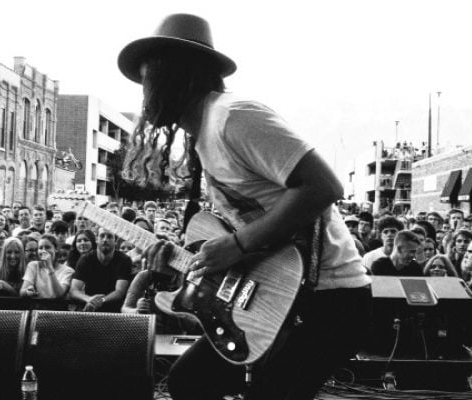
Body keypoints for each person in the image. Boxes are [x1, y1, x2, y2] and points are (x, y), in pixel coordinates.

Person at [118, 13, 371, 400]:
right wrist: (182, 263)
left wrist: (236, 245)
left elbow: (323, 185)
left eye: (149, 77)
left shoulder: (233, 118)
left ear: (178, 74)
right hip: (281, 292)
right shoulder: (204, 138)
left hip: (329, 298)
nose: (144, 92)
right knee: (189, 383)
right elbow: (252, 230)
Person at [69, 227, 132, 312]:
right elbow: (73, 290)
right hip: (91, 308)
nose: (105, 240)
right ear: (96, 240)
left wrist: (101, 301)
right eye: (102, 236)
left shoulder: (124, 260)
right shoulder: (86, 259)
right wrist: (89, 299)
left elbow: (120, 291)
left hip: (116, 310)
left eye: (109, 236)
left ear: (115, 241)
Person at [20, 234, 74, 298]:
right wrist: (28, 291)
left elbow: (59, 294)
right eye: (40, 248)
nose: (43, 251)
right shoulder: (33, 266)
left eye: (47, 247)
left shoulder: (68, 271)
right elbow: (22, 292)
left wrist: (49, 267)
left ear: (56, 249)